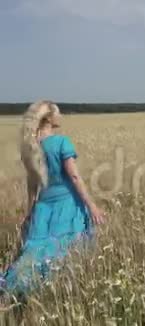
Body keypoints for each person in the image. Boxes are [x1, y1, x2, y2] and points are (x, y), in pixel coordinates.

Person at [0, 100, 105, 302]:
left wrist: (29, 214)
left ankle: (11, 293)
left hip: (43, 210)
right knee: (64, 254)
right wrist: (92, 206)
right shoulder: (61, 142)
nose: (61, 116)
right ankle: (57, 298)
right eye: (58, 113)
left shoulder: (30, 148)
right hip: (67, 207)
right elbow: (74, 177)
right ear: (48, 119)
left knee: (35, 255)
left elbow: (32, 187)